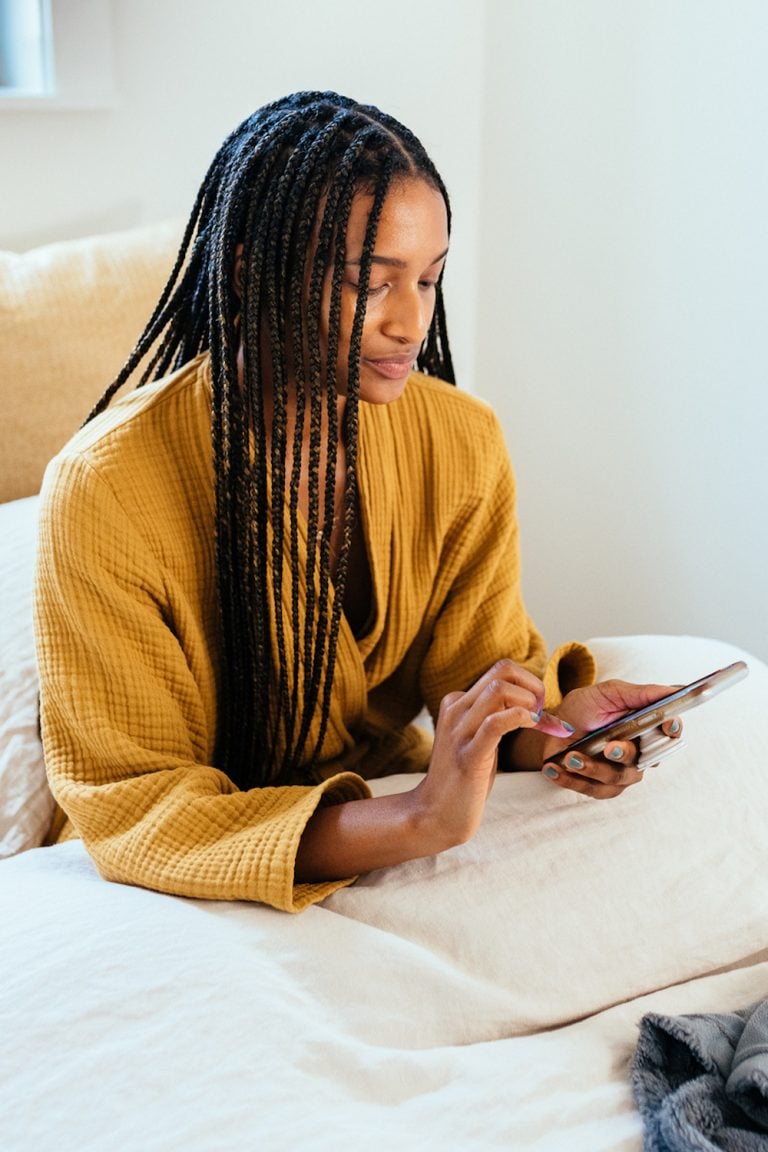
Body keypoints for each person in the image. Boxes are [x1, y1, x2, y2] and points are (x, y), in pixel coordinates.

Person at [34, 91, 682, 912]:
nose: (411, 322)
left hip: (398, 817)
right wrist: (413, 819)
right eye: (366, 283)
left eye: (430, 279)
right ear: (245, 268)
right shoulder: (107, 488)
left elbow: (474, 677)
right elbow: (140, 808)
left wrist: (553, 729)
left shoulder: (461, 441)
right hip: (173, 886)